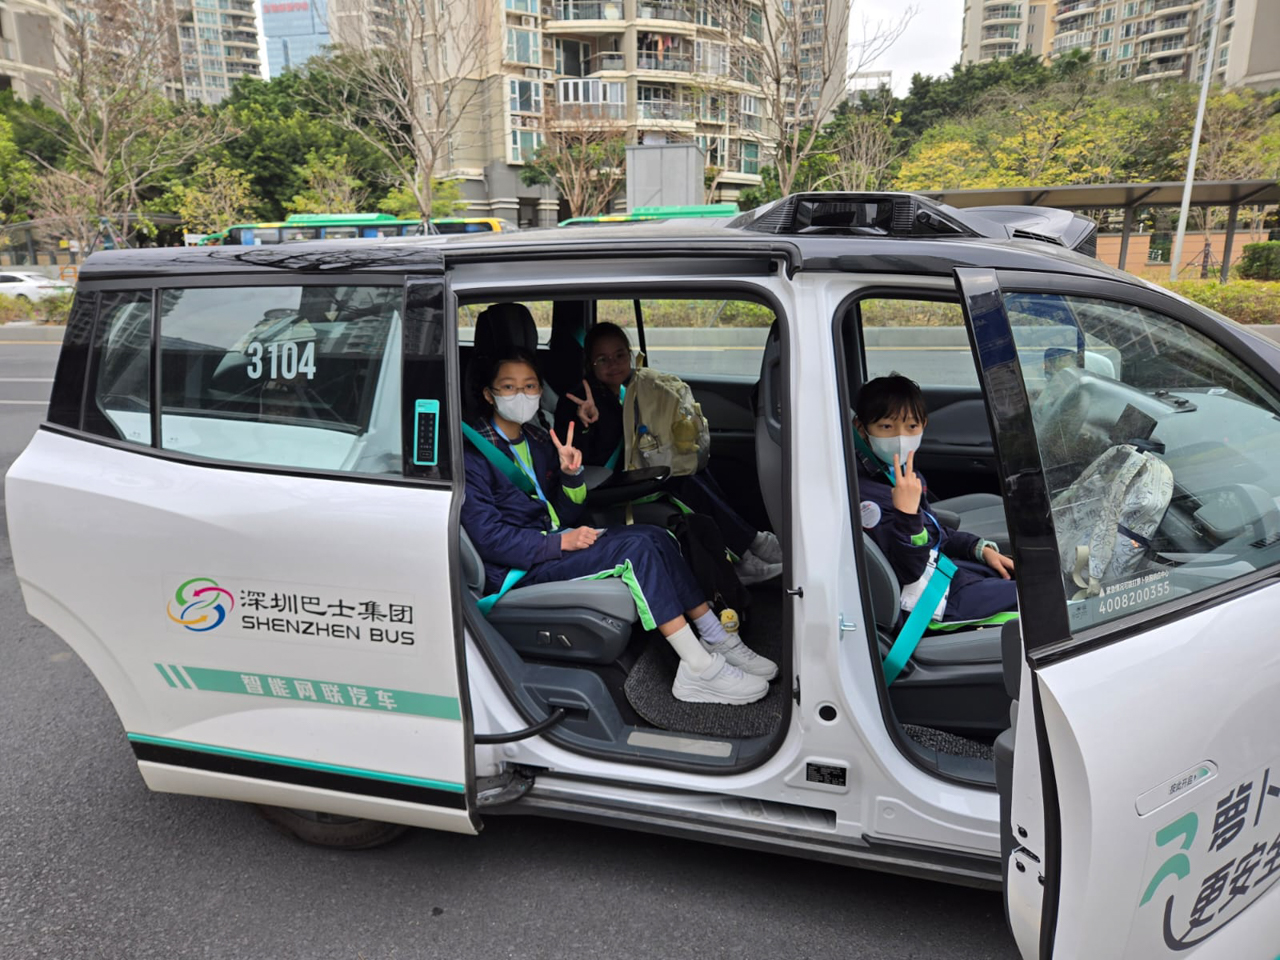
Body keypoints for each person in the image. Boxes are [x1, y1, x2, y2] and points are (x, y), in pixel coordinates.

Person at [461, 348, 778, 705]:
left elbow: (563, 514)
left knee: (658, 537)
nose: (521, 395)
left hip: (550, 543)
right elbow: (489, 539)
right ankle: (697, 668)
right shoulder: (474, 456)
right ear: (489, 394)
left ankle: (715, 636)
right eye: (509, 387)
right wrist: (560, 544)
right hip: (516, 569)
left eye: (530, 386)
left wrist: (571, 475)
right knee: (637, 550)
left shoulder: (538, 441)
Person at [553, 322, 783, 586]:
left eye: (619, 355)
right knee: (680, 481)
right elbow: (575, 456)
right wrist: (586, 425)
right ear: (589, 364)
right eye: (602, 360)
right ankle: (744, 556)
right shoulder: (579, 399)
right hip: (601, 483)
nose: (613, 364)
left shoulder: (631, 388)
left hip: (628, 469)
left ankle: (752, 542)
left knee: (695, 468)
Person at [854, 374, 1018, 627]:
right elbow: (909, 570)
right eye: (886, 427)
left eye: (911, 426)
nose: (900, 437)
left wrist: (977, 548)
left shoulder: (891, 472)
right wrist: (907, 515)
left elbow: (932, 530)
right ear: (861, 428)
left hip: (943, 576)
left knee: (1029, 578)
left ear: (924, 425)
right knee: (1039, 599)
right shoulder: (867, 497)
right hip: (929, 606)